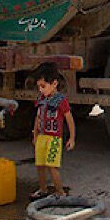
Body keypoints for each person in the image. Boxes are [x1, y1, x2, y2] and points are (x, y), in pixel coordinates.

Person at [30, 62, 75, 201]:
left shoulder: (61, 101)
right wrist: (35, 135)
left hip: (54, 138)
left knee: (52, 166)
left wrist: (72, 138)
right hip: (42, 137)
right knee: (40, 165)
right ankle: (43, 189)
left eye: (43, 86)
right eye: (39, 87)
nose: (40, 90)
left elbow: (69, 119)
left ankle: (60, 192)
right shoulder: (41, 99)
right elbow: (38, 118)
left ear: (54, 84)